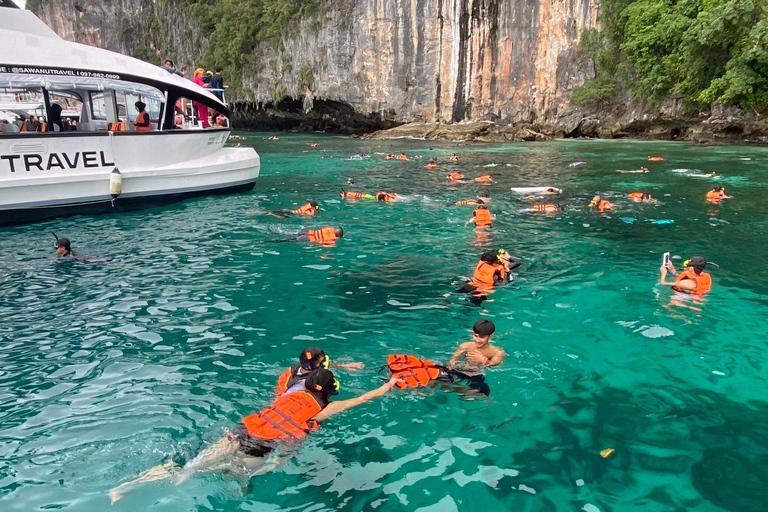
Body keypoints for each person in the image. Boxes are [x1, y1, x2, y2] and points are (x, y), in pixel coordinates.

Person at [109, 368, 400, 503]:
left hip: (240, 432)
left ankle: (124, 487)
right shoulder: (322, 409)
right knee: (240, 479)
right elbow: (361, 399)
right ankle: (228, 485)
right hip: (258, 448)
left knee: (191, 465)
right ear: (326, 392)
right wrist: (388, 386)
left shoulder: (290, 393)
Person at [446, 319, 506, 396]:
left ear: (490, 337)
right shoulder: (466, 346)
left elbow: (496, 364)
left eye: (482, 337)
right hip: (461, 369)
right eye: (475, 335)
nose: (477, 340)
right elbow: (453, 359)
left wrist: (483, 360)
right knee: (436, 378)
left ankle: (455, 389)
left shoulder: (497, 352)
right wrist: (451, 364)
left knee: (482, 394)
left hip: (476, 374)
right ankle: (456, 389)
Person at [277, 346, 364, 397]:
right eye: (321, 362)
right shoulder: (307, 383)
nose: (324, 363)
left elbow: (323, 365)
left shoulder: (298, 367)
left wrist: (344, 366)